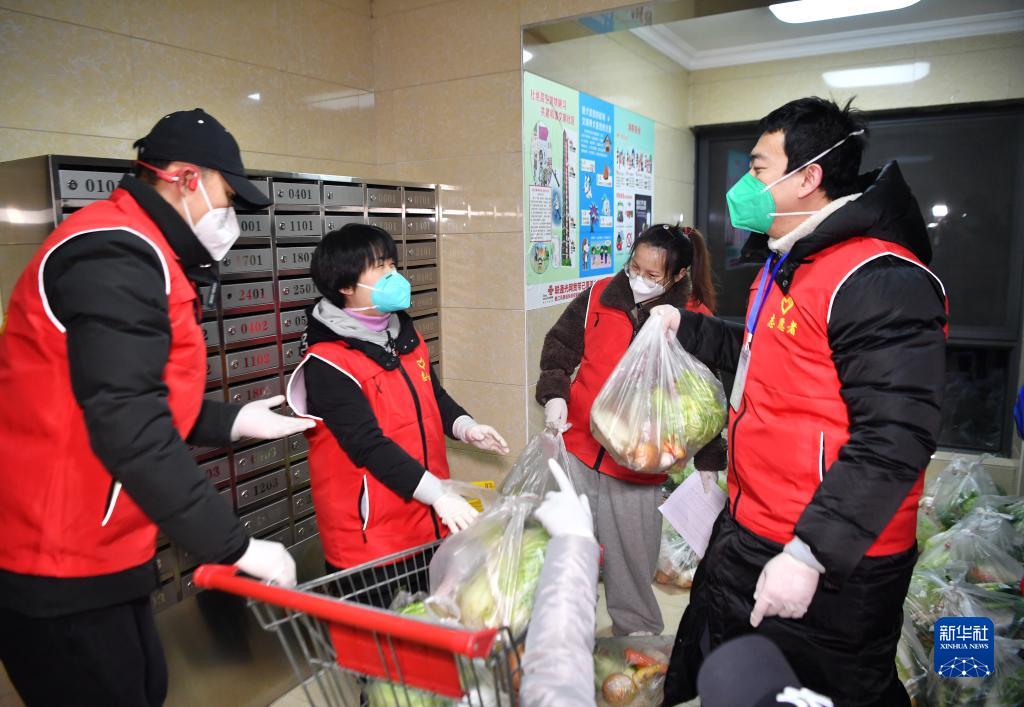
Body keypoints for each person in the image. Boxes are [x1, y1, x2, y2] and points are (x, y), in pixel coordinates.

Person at [0, 108, 313, 707]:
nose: (230, 217)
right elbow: (131, 425)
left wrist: (234, 420)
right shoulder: (114, 254)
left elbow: (132, 392)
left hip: (106, 548)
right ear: (187, 178)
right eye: (228, 196)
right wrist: (236, 545)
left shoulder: (147, 253)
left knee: (146, 687)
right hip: (57, 559)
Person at [654, 97, 947, 706]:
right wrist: (686, 327)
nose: (745, 184)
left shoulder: (878, 278)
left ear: (808, 177)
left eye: (758, 168)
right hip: (753, 524)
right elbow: (765, 358)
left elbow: (896, 436)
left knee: (830, 691)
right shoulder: (788, 262)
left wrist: (812, 553)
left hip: (833, 556)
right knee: (739, 678)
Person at [285, 224, 510, 607]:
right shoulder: (328, 362)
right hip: (370, 543)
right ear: (345, 285)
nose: (393, 275)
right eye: (380, 267)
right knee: (380, 641)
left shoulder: (403, 335)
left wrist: (466, 427)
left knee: (429, 628)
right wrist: (438, 495)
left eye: (392, 264)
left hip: (427, 525)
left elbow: (433, 397)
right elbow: (367, 446)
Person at [536, 223, 726, 636]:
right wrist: (554, 394)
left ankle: (637, 644)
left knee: (631, 569)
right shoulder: (600, 295)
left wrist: (709, 460)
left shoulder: (692, 319)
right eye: (634, 267)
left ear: (678, 275)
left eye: (652, 274)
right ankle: (566, 638)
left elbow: (707, 398)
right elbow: (560, 346)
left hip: (639, 467)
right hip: (579, 450)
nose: (638, 279)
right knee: (569, 557)